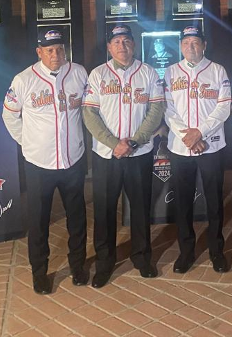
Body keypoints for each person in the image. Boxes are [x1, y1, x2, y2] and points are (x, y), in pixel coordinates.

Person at [1, 28, 89, 295]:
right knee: (38, 222)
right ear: (39, 52)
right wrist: (28, 143)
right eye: (49, 50)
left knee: (77, 219)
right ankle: (39, 273)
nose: (55, 54)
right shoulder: (23, 79)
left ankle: (78, 266)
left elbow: (90, 109)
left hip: (73, 160)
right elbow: (9, 116)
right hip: (39, 164)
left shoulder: (79, 72)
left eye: (60, 49)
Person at [82, 24, 166, 287]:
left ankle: (142, 258)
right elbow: (89, 114)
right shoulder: (98, 74)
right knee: (104, 210)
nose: (122, 46)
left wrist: (134, 141)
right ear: (109, 47)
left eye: (126, 41)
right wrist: (113, 143)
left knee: (140, 208)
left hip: (139, 153)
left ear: (134, 44)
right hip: (107, 155)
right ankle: (104, 263)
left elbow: (156, 111)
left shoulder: (148, 73)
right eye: (116, 42)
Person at [163, 25, 232, 274]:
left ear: (204, 45)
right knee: (183, 202)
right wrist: (189, 136)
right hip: (181, 147)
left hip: (211, 145)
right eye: (186, 43)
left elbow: (224, 107)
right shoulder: (171, 72)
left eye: (195, 42)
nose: (190, 47)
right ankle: (186, 252)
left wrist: (200, 133)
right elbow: (168, 109)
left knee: (214, 200)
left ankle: (216, 250)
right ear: (180, 46)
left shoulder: (217, 70)